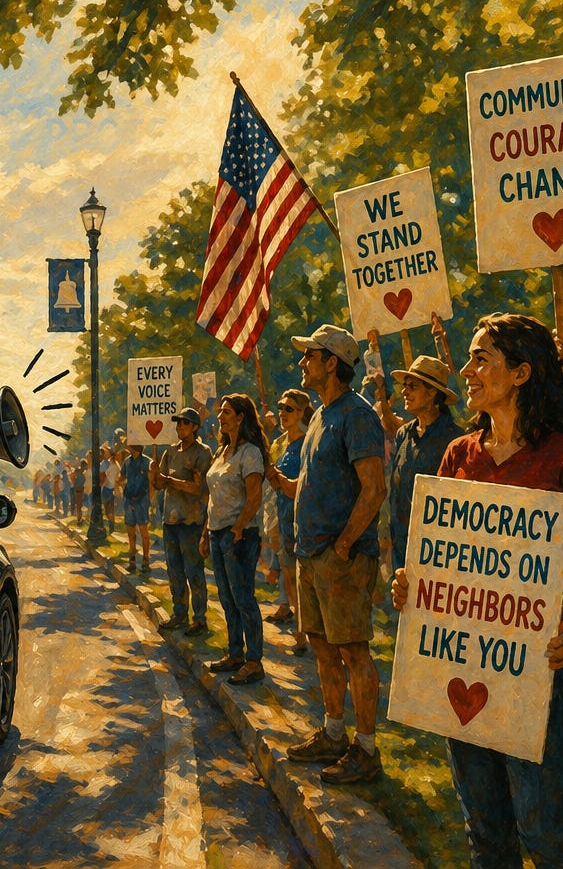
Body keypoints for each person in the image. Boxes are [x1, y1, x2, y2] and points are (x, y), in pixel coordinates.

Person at [393, 313, 563, 869]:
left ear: (520, 373)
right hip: (465, 666)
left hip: (548, 675)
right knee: (486, 835)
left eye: (479, 359)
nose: (465, 371)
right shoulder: (458, 456)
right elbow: (443, 559)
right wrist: (413, 586)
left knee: (545, 834)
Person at [268, 324, 386, 784]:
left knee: (354, 651)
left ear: (331, 362)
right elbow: (310, 487)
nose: (302, 364)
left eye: (309, 356)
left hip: (342, 559)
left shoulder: (357, 416)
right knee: (321, 648)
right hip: (310, 555)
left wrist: (343, 543)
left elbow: (373, 488)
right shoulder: (319, 415)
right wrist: (283, 484)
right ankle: (334, 733)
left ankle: (366, 748)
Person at [202, 393, 269, 685]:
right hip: (217, 533)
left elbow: (254, 497)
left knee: (244, 599)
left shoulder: (250, 452)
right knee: (227, 598)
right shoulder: (222, 452)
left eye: (227, 412)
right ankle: (234, 653)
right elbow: (213, 498)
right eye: (221, 412)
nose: (221, 417)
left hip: (239, 534)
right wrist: (207, 532)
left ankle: (254, 661)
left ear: (241, 417)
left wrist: (237, 530)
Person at [385, 354, 464, 572]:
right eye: (404, 385)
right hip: (401, 541)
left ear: (432, 393)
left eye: (412, 386)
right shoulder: (404, 434)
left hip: (437, 549)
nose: (404, 392)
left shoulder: (456, 440)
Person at [152, 408, 212, 637]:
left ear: (195, 427)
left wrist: (169, 481)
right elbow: (159, 484)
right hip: (171, 520)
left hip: (191, 520)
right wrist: (154, 476)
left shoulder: (203, 452)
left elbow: (200, 488)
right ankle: (179, 614)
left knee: (194, 571)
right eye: (178, 423)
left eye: (185, 423)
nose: (179, 427)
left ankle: (199, 619)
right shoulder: (170, 451)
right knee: (174, 570)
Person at [265, 388, 313, 653]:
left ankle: (308, 634)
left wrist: (280, 480)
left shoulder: (308, 442)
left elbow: (300, 485)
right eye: (281, 408)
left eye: (289, 409)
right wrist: (272, 476)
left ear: (302, 412)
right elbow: (275, 486)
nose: (283, 413)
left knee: (304, 579)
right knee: (288, 577)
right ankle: (299, 634)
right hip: (283, 516)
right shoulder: (278, 444)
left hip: (304, 519)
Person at [120, 443, 153, 573]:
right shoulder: (127, 462)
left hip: (142, 500)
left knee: (144, 531)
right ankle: (132, 560)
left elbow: (151, 482)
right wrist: (119, 484)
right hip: (129, 499)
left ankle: (145, 560)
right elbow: (122, 477)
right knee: (130, 531)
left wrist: (151, 500)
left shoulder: (147, 462)